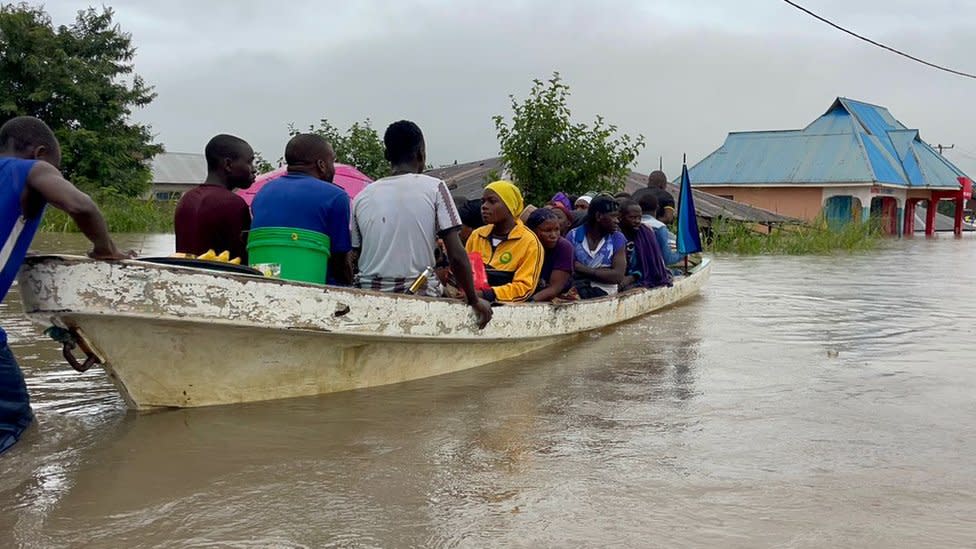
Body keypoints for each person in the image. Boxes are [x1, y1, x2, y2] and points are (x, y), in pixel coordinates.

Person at [0, 116, 130, 455]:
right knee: (15, 426)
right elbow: (81, 205)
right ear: (40, 153)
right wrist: (107, 250)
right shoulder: (32, 170)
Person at [351, 120, 491, 328]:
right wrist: (473, 299)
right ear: (421, 155)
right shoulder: (435, 187)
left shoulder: (362, 196)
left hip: (369, 292)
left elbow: (352, 256)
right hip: (417, 291)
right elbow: (457, 254)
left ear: (387, 156)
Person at [250, 134, 352, 285]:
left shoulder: (262, 193)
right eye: (332, 161)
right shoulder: (335, 196)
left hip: (267, 282)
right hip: (315, 287)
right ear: (321, 165)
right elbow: (340, 259)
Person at [174, 134, 255, 262]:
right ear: (228, 164)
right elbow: (243, 257)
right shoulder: (233, 204)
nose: (254, 169)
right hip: (222, 278)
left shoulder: (187, 199)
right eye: (249, 162)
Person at [465, 181, 542, 303]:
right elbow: (463, 273)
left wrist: (486, 295)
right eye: (483, 201)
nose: (484, 206)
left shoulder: (529, 242)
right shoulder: (477, 236)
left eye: (492, 201)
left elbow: (524, 289)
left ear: (510, 206)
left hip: (508, 315)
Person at [566, 194, 627, 298]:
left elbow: (617, 276)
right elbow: (569, 269)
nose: (617, 221)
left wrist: (582, 269)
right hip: (576, 292)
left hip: (608, 295)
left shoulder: (617, 238)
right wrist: (603, 272)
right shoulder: (573, 236)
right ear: (598, 216)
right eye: (613, 216)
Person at [618, 200, 672, 290]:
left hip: (641, 276)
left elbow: (651, 265)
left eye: (639, 218)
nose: (637, 221)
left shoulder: (646, 233)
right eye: (632, 217)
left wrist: (631, 278)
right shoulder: (613, 235)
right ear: (620, 217)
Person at [525, 208, 574, 302]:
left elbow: (555, 288)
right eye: (547, 231)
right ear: (532, 231)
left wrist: (528, 303)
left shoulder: (564, 247)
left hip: (555, 295)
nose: (554, 235)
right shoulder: (524, 244)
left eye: (557, 229)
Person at [634, 188, 685, 266]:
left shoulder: (633, 224)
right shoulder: (659, 227)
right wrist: (683, 253)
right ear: (657, 208)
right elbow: (667, 259)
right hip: (653, 272)